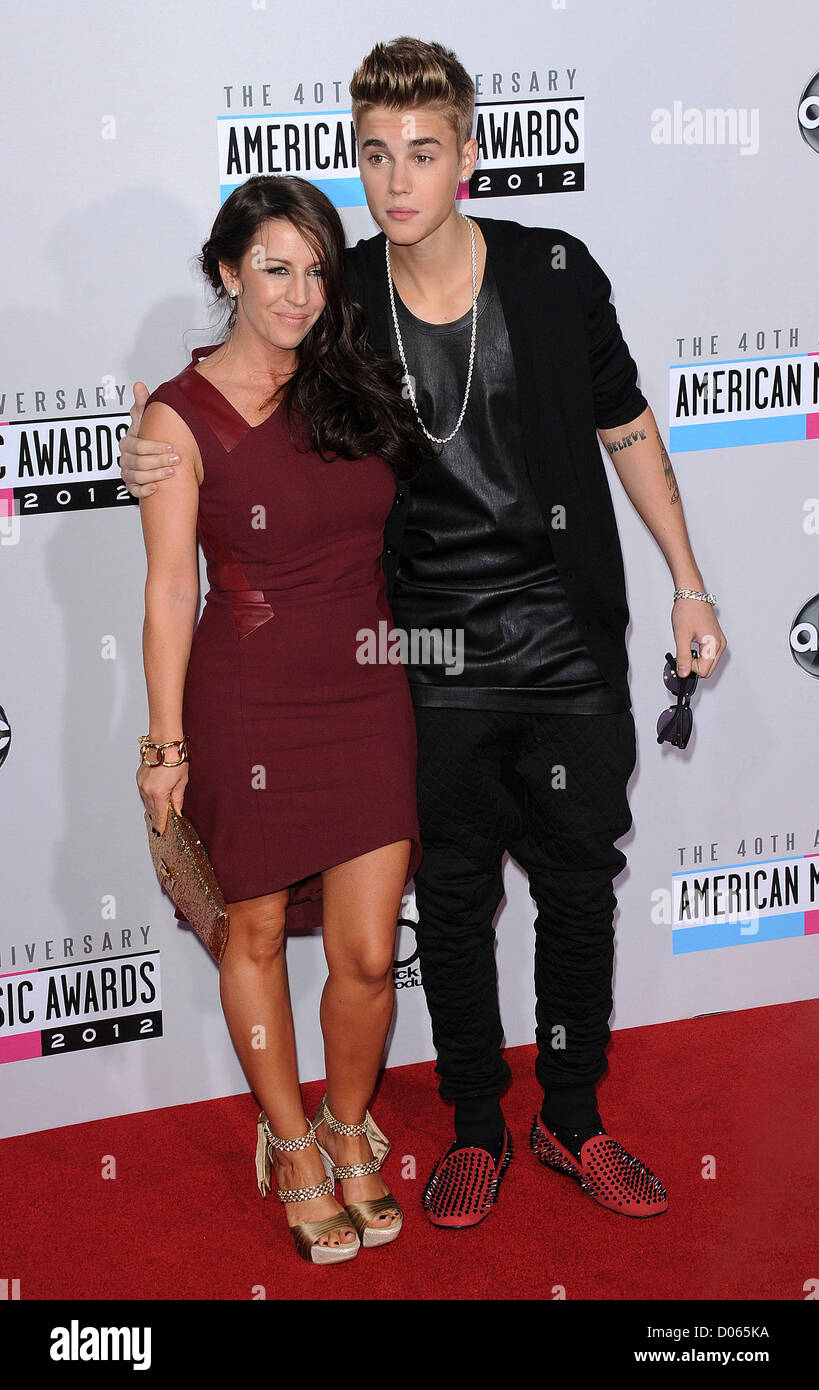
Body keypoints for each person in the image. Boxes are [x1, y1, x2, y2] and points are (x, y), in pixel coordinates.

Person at [123, 38, 727, 1230]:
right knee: (448, 901)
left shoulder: (555, 273)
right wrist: (161, 425)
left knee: (578, 889)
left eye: (423, 153)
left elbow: (629, 425)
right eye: (373, 155)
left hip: (564, 637)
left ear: (467, 157)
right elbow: (251, 364)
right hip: (422, 652)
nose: (397, 180)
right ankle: (471, 1126)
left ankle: (571, 1114)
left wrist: (690, 582)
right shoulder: (340, 292)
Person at [135, 173, 434, 1263]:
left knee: (363, 950)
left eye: (315, 269)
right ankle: (293, 1139)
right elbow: (172, 590)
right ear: (228, 272)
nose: (299, 292)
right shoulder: (175, 416)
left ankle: (352, 1126)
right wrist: (163, 745)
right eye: (274, 267)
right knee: (254, 931)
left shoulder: (353, 383)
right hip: (248, 699)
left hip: (368, 683)